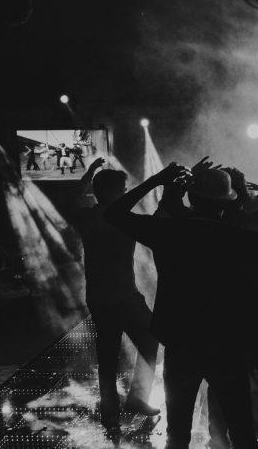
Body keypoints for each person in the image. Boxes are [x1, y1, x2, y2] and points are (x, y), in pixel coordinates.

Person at [106, 161, 258, 449]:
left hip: (180, 344)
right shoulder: (240, 240)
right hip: (228, 346)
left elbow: (113, 213)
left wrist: (158, 181)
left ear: (191, 198)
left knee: (177, 434)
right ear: (227, 204)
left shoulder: (168, 232)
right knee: (242, 433)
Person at [72, 157, 160, 434]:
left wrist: (88, 174)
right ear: (114, 193)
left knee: (109, 355)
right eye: (122, 190)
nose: (125, 193)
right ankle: (134, 400)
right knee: (147, 342)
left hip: (103, 297)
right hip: (122, 296)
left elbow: (74, 200)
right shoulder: (121, 219)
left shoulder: (87, 217)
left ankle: (113, 411)